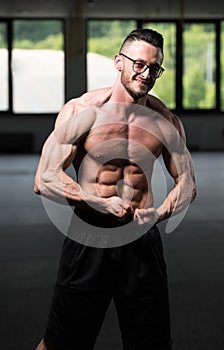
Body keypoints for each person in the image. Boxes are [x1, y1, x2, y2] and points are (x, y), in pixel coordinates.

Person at [34, 28, 196, 350]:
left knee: (152, 343)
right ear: (118, 62)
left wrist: (158, 215)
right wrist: (97, 202)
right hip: (89, 236)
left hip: (141, 241)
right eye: (138, 64)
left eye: (154, 68)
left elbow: (188, 183)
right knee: (63, 343)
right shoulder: (82, 112)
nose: (146, 74)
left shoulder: (165, 120)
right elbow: (45, 178)